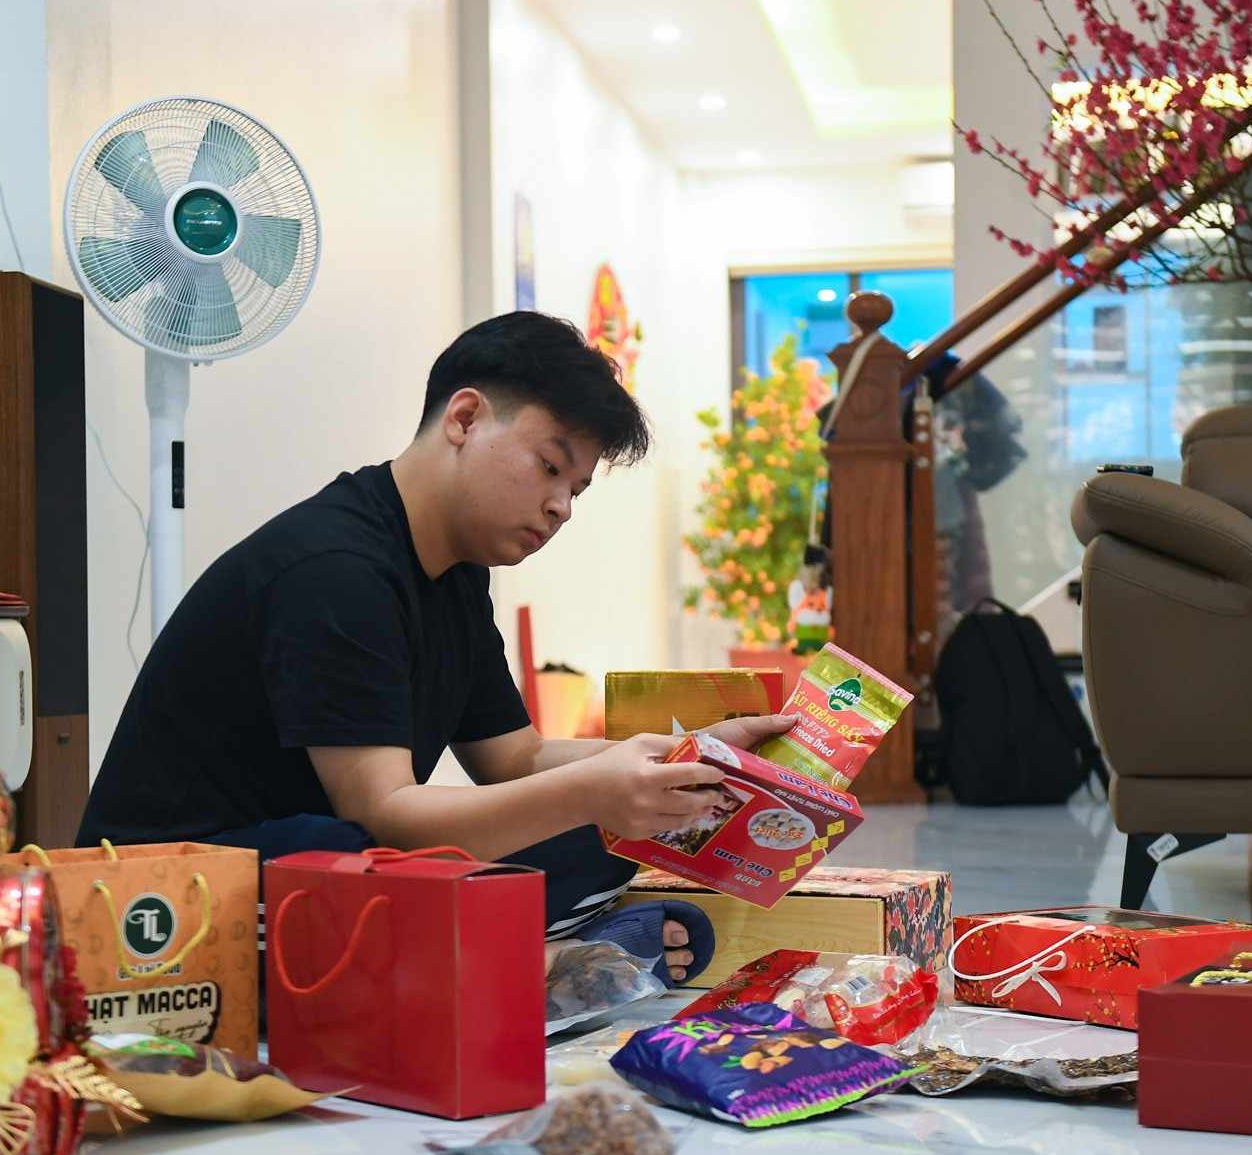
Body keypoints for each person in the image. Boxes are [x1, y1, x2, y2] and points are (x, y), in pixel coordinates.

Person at [78, 311, 792, 984]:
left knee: (595, 840)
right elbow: (386, 814)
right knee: (331, 854)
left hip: (351, 866)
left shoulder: (457, 573)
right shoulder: (333, 568)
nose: (561, 507)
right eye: (551, 467)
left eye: (576, 489)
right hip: (164, 891)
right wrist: (590, 791)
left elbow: (516, 760)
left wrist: (687, 758)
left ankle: (494, 954)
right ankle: (522, 959)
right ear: (465, 418)